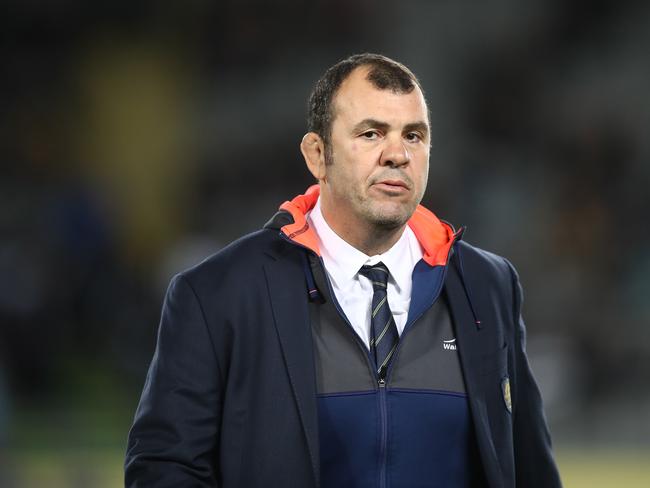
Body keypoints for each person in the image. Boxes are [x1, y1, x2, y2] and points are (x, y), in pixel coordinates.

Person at [125, 53, 562, 488]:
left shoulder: (487, 285)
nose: (397, 154)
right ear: (318, 155)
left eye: (414, 136)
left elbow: (528, 469)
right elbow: (166, 468)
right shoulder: (218, 293)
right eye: (371, 133)